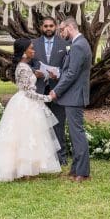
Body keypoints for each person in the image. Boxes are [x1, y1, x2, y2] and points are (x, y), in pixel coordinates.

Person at [0, 38, 63, 182]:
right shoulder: (23, 68)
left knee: (30, 136)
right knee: (25, 135)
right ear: (24, 52)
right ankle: (25, 171)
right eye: (31, 48)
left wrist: (34, 75)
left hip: (26, 102)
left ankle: (29, 170)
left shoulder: (24, 66)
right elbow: (29, 93)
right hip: (26, 104)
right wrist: (48, 98)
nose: (34, 50)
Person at [49, 17, 92, 181]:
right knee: (75, 134)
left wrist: (56, 91)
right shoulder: (79, 44)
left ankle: (82, 172)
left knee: (77, 134)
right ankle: (75, 169)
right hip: (73, 96)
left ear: (69, 27)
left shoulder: (78, 46)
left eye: (61, 29)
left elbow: (72, 74)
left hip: (74, 96)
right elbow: (70, 71)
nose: (60, 33)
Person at [32, 16, 68, 165]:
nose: (48, 28)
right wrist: (34, 72)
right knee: (39, 124)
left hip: (57, 90)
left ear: (56, 27)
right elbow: (26, 64)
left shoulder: (65, 44)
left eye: (51, 26)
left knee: (58, 124)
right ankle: (42, 157)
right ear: (42, 27)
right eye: (45, 26)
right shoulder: (33, 43)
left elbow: (69, 68)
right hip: (38, 90)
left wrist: (58, 74)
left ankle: (61, 157)